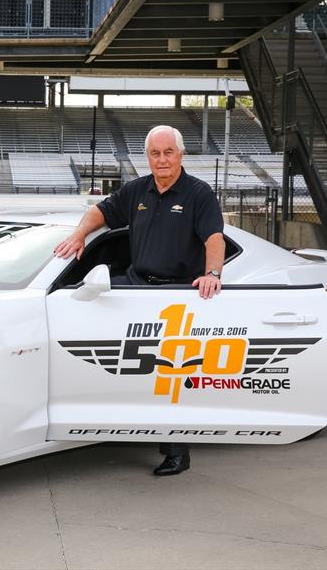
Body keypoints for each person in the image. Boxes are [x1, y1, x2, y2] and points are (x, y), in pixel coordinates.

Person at [54, 125, 225, 476]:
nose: (161, 159)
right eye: (155, 153)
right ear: (147, 157)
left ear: (180, 155)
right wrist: (79, 233)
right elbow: (99, 212)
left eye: (168, 152)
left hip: (179, 293)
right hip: (136, 286)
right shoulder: (136, 190)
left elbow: (214, 238)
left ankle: (177, 451)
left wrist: (213, 275)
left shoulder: (198, 193)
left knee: (170, 374)